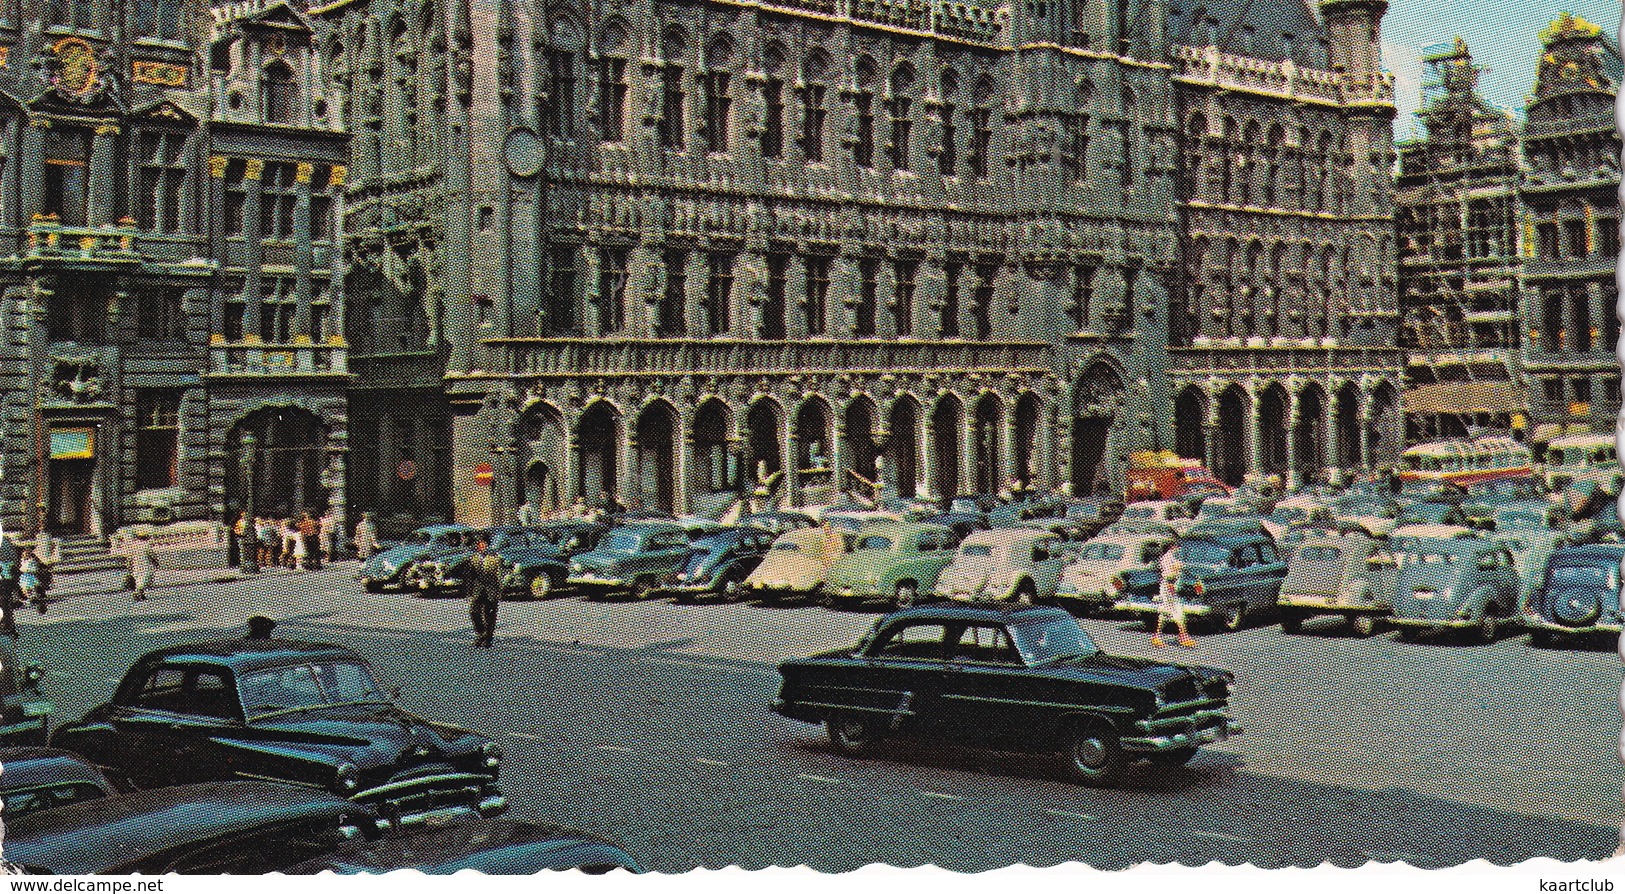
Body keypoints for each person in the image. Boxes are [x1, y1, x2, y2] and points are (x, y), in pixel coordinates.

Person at [1151, 545, 1196, 649]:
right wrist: (1171, 583)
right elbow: (1168, 574)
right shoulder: (1168, 558)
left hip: (1169, 585)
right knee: (1178, 611)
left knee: (1166, 612)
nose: (1178, 547)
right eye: (1176, 545)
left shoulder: (1170, 556)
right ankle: (1183, 637)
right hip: (1168, 585)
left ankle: (1157, 637)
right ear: (1171, 546)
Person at [464, 535, 504, 648]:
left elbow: (499, 576)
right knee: (474, 612)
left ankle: (488, 639)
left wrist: (499, 592)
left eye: (483, 544)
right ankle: (481, 633)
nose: (481, 546)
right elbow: (470, 576)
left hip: (491, 589)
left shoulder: (495, 558)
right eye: (479, 544)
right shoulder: (473, 558)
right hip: (478, 589)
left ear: (487, 545)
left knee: (489, 615)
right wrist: (469, 592)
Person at [129, 531, 159, 602]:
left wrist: (130, 565)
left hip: (136, 563)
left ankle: (141, 593)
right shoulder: (146, 545)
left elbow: (129, 557)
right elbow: (151, 555)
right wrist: (156, 562)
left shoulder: (134, 545)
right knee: (145, 578)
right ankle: (138, 592)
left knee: (138, 577)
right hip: (145, 563)